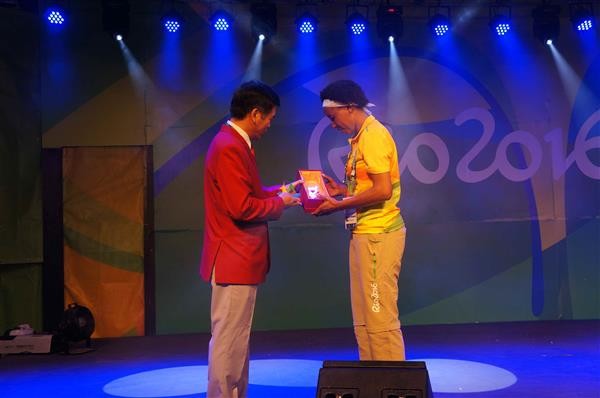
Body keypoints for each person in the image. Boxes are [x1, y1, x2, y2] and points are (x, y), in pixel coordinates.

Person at [199, 80, 300, 398]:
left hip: (238, 258)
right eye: (270, 118)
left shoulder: (235, 143)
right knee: (229, 341)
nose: (270, 124)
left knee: (235, 341)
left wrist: (278, 192)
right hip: (233, 258)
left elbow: (246, 194)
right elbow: (240, 207)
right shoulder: (229, 146)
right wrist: (279, 204)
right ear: (255, 114)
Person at [313, 79, 407, 361]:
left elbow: (382, 190)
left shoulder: (374, 135)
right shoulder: (361, 138)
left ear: (350, 108)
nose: (332, 124)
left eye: (333, 117)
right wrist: (342, 190)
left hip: (380, 234)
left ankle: (394, 386)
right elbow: (368, 187)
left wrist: (338, 204)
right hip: (363, 234)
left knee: (379, 316)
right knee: (364, 317)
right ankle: (373, 380)